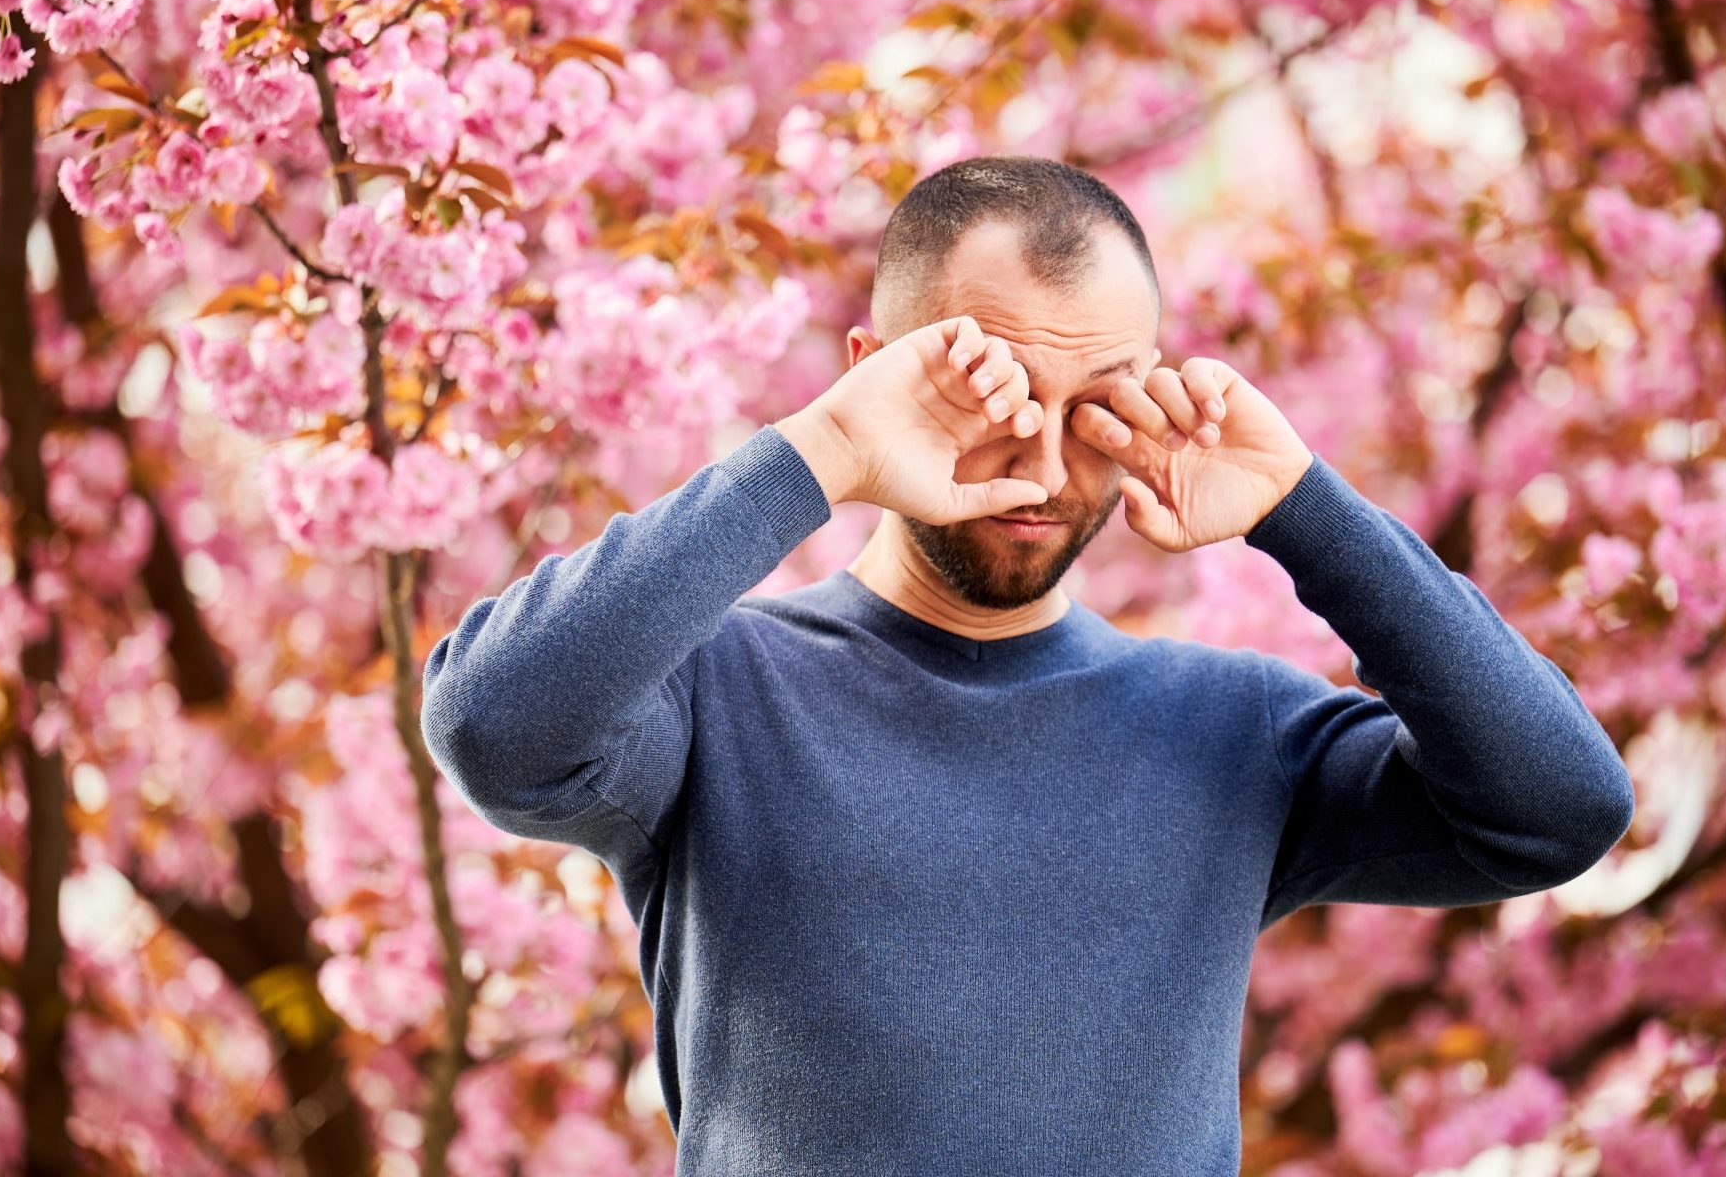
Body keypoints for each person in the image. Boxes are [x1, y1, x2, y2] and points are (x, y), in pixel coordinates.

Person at [420, 156, 1636, 1175]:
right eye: (993, 389)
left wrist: (1305, 510)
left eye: (1097, 404)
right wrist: (827, 445)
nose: (1047, 466)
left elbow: (1559, 810)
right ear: (873, 364)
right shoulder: (713, 692)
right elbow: (494, 724)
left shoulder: (1232, 730)